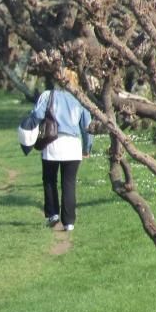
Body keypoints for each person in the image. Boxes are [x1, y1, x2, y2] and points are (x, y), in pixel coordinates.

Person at [33, 70, 93, 231]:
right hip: (73, 145)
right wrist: (87, 148)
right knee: (69, 183)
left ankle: (52, 214)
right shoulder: (80, 98)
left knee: (49, 180)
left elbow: (36, 115)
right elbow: (87, 126)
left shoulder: (48, 95)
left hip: (52, 142)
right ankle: (69, 222)